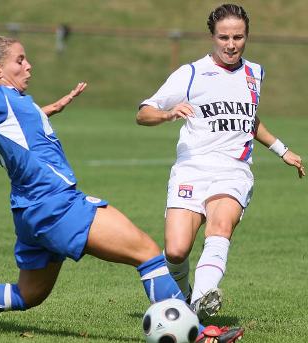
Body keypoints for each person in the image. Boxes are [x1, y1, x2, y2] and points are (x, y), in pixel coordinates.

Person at [0, 36, 243, 342]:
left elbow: (17, 126)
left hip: (30, 212)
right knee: (148, 254)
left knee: (28, 294)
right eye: (20, 60)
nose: (29, 65)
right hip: (57, 206)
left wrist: (48, 111)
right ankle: (198, 335)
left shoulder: (12, 100)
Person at [137, 3, 305, 323]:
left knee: (219, 227)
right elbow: (144, 112)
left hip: (233, 169)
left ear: (247, 37)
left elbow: (248, 121)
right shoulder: (191, 73)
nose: (231, 44)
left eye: (238, 37)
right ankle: (185, 295)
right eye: (224, 37)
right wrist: (168, 113)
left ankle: (202, 299)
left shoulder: (254, 73)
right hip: (191, 167)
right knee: (175, 251)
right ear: (212, 36)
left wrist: (281, 149)